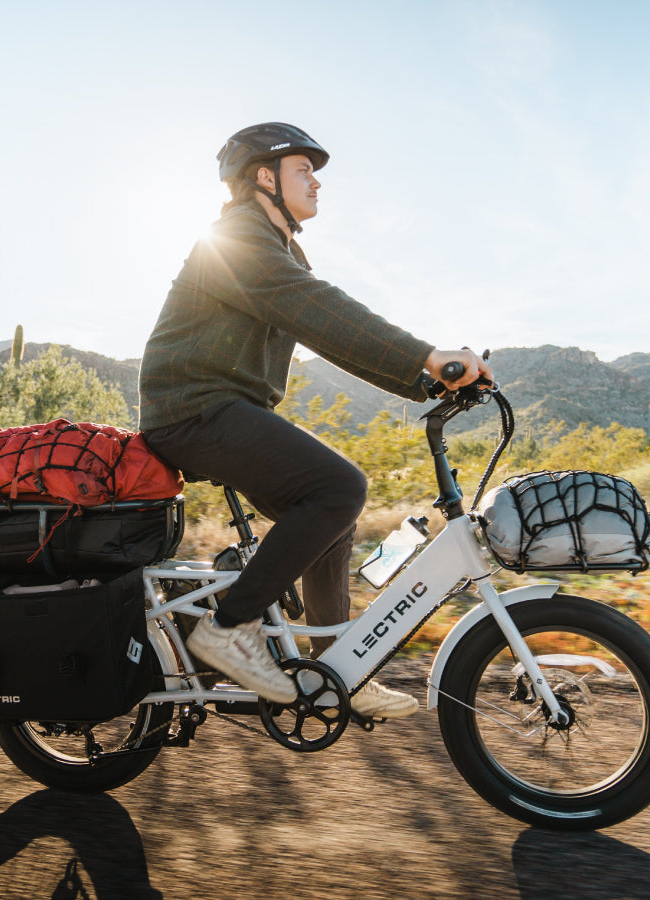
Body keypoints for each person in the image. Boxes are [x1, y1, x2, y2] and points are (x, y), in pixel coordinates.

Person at [138, 122, 493, 718]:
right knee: (337, 487)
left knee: (331, 513)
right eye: (304, 169)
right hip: (192, 411)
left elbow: (327, 332)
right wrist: (425, 353)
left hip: (220, 410)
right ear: (263, 177)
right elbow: (319, 310)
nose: (317, 182)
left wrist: (425, 380)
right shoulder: (238, 238)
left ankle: (337, 666)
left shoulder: (274, 248)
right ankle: (228, 628)